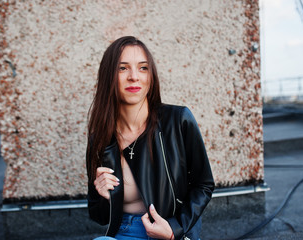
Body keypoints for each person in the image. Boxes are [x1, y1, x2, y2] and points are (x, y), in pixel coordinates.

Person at [86, 36, 214, 240]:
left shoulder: (178, 120)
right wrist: (102, 196)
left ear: (151, 75)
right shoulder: (100, 139)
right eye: (123, 68)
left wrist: (175, 229)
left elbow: (203, 184)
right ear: (109, 75)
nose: (134, 76)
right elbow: (98, 216)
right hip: (123, 233)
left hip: (170, 232)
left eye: (143, 68)